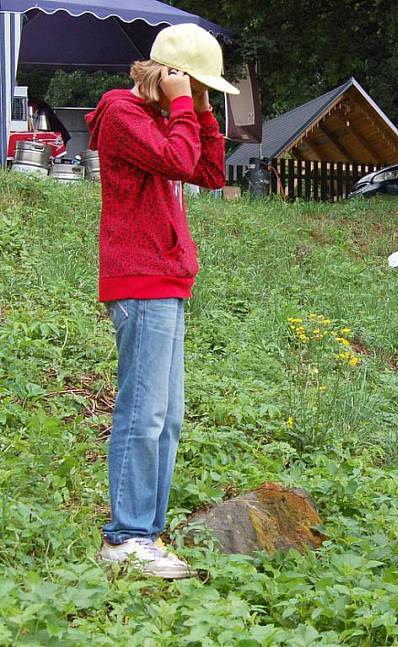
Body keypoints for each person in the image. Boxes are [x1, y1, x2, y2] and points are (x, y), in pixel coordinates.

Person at [86, 23, 239, 579]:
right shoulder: (122, 111)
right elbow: (176, 162)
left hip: (168, 278)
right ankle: (125, 536)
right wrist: (181, 105)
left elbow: (209, 171)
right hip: (140, 277)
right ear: (169, 76)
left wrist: (199, 111)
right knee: (142, 414)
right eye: (197, 86)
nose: (200, 96)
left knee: (166, 418)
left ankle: (146, 534)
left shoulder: (166, 117)